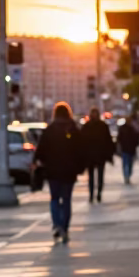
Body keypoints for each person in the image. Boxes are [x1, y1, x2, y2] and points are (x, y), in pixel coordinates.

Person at [35, 102, 84, 244]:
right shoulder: (73, 129)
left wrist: (39, 161)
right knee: (67, 199)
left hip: (53, 170)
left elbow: (41, 149)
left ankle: (57, 224)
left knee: (55, 198)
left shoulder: (50, 130)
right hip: (69, 171)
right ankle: (65, 227)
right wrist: (79, 166)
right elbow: (81, 150)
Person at [81, 107, 115, 203]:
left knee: (93, 177)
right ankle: (95, 193)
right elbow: (108, 141)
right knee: (97, 176)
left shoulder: (88, 126)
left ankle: (94, 194)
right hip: (98, 155)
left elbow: (81, 141)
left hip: (93, 155)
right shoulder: (102, 125)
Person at [117, 114, 139, 185]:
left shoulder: (132, 128)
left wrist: (136, 144)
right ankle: (126, 176)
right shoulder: (123, 128)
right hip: (125, 149)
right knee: (125, 163)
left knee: (129, 164)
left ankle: (128, 175)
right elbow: (119, 138)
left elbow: (136, 138)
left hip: (131, 149)